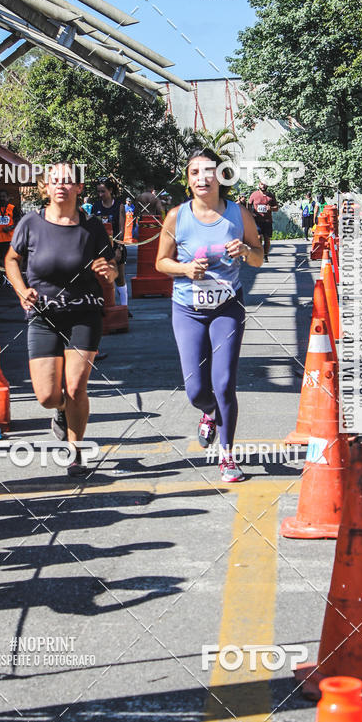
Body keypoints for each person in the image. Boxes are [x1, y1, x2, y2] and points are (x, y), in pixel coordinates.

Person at [155, 148, 264, 482]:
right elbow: (161, 262)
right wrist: (186, 269)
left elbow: (260, 257)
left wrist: (246, 251)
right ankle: (208, 411)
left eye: (208, 171)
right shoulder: (176, 216)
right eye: (194, 172)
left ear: (221, 176)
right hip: (187, 309)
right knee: (196, 389)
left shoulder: (238, 214)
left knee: (224, 382)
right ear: (188, 180)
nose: (202, 178)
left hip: (227, 308)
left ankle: (227, 455)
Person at [5, 162, 117, 478]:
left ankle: (75, 452)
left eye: (68, 181)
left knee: (76, 385)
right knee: (47, 395)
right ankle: (59, 412)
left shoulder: (92, 227)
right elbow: (11, 259)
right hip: (43, 315)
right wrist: (20, 288)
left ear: (78, 188)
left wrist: (109, 272)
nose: (61, 186)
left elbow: (111, 266)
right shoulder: (30, 223)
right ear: (46, 187)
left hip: (85, 313)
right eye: (55, 180)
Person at [93, 178, 128, 307]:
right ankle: (105, 306)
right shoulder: (96, 207)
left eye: (103, 191)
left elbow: (121, 227)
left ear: (110, 190)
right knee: (102, 279)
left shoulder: (119, 205)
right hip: (100, 247)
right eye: (99, 192)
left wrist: (119, 247)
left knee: (119, 278)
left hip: (116, 245)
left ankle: (124, 307)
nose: (100, 195)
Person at [248, 180, 279, 263]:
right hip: (257, 220)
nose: (263, 186)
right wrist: (251, 213)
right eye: (262, 184)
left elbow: (276, 208)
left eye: (265, 184)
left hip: (267, 221)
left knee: (267, 239)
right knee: (258, 237)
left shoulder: (271, 196)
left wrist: (271, 208)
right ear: (259, 185)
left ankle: (265, 255)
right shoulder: (254, 195)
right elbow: (249, 205)